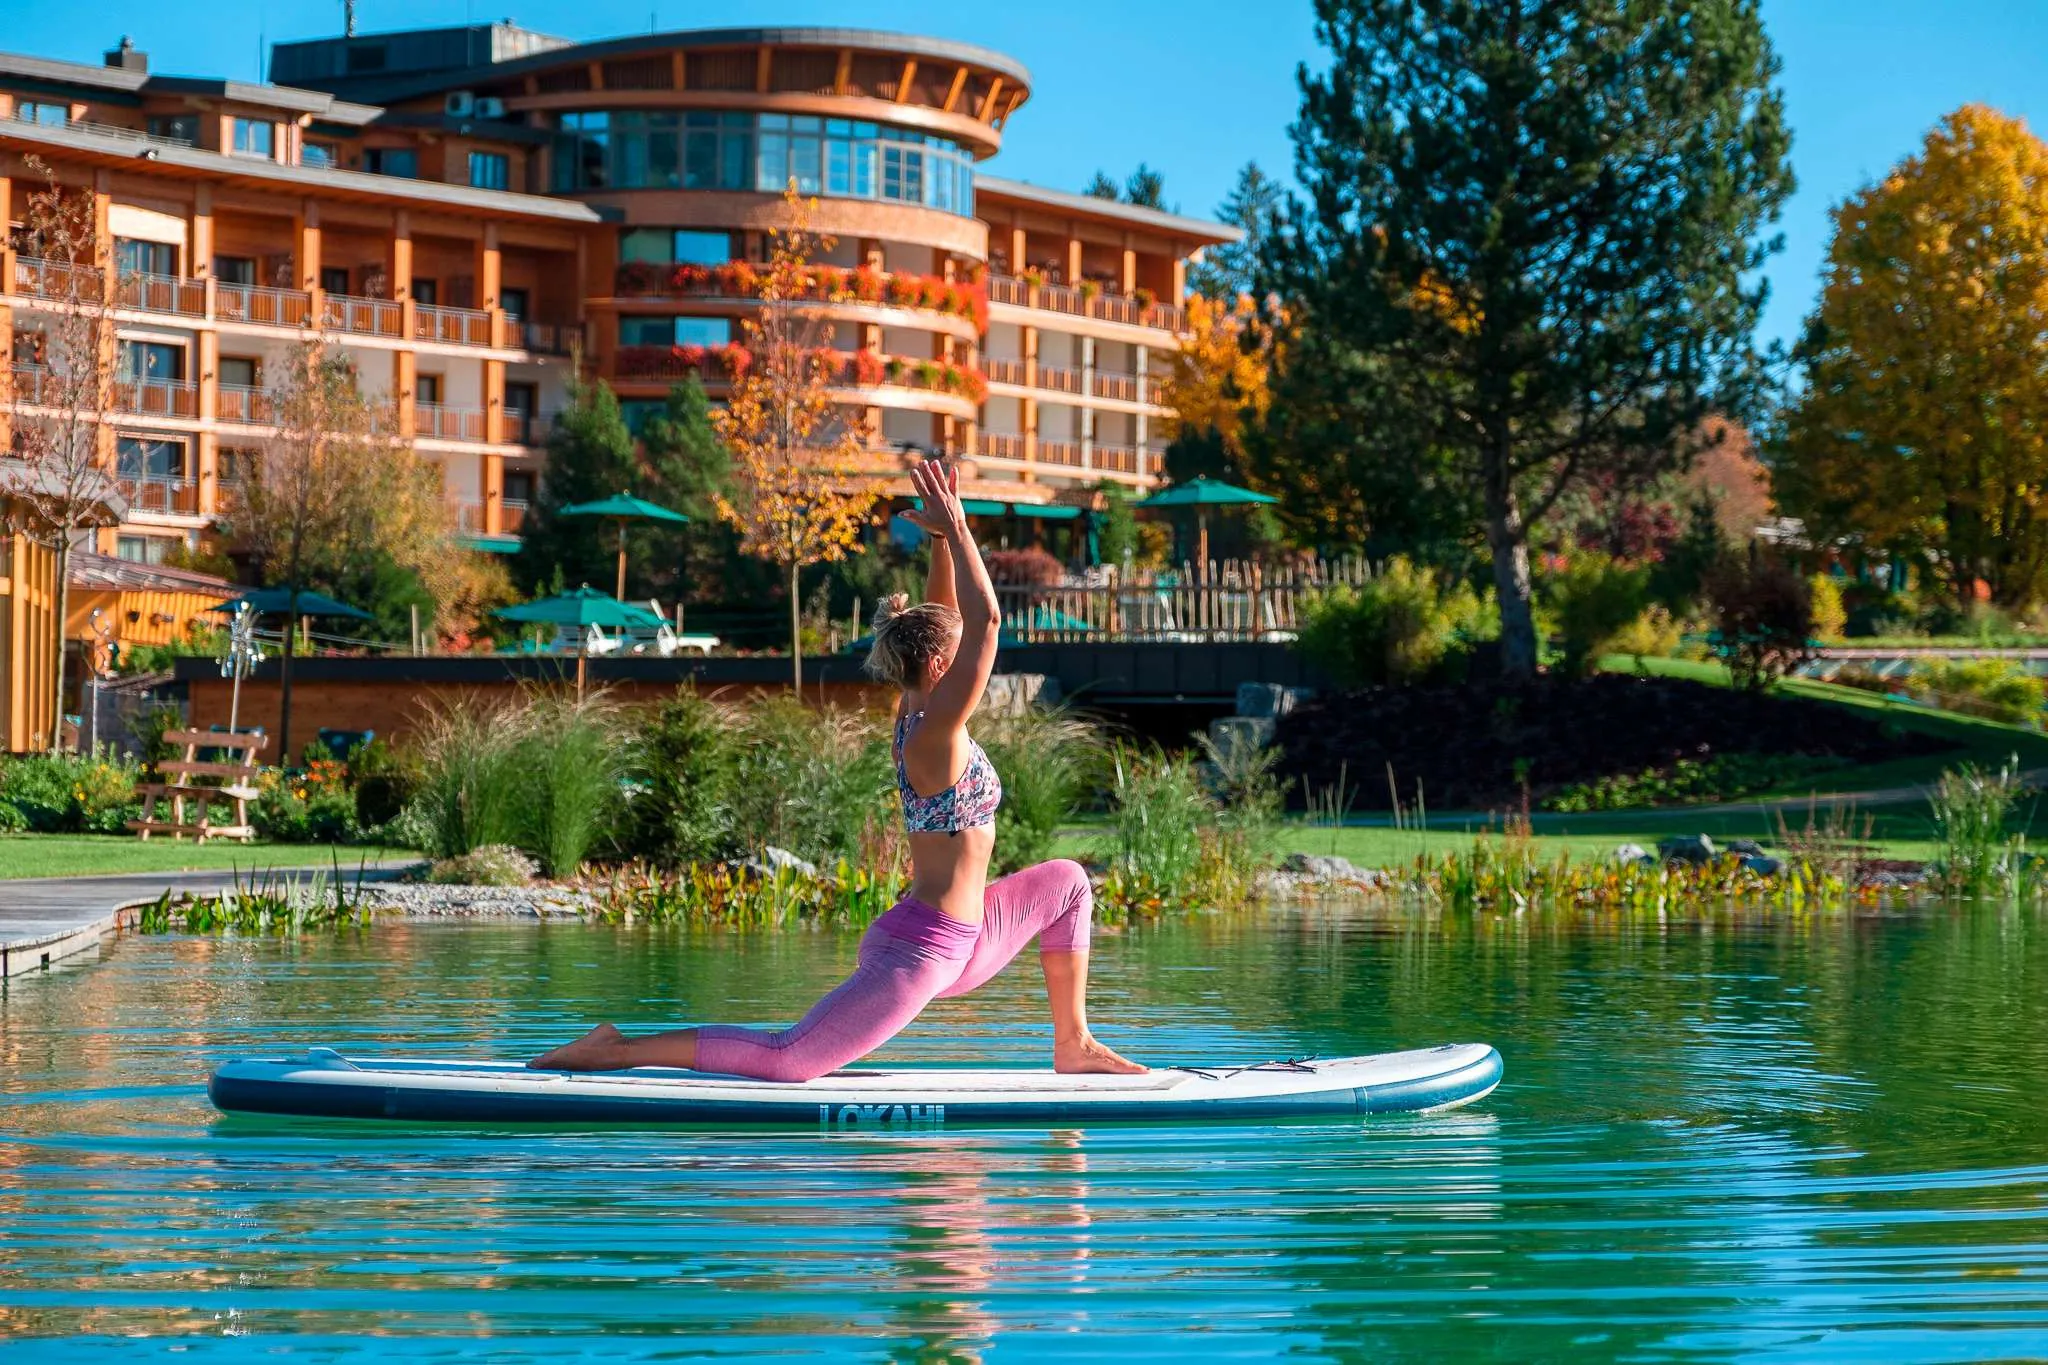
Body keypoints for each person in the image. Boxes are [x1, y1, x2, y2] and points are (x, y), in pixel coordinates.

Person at [530, 458, 1144, 1081]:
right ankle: (618, 1049)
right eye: (955, 663)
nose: (968, 672)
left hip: (972, 938)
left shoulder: (918, 706)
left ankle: (1075, 1042)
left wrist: (936, 540)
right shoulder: (933, 737)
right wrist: (959, 530)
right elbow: (984, 623)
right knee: (791, 1058)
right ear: (937, 669)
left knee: (1069, 881)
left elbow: (948, 618)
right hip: (922, 949)